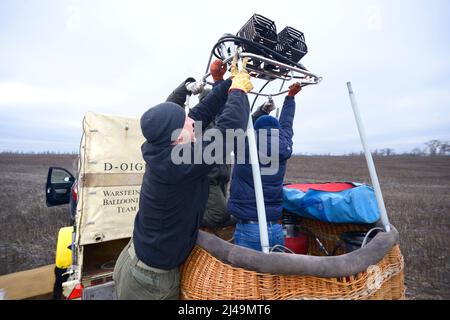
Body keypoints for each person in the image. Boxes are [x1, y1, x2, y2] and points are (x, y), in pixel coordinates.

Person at [113, 57, 253, 300]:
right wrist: (239, 92)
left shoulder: (164, 149)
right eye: (186, 122)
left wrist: (229, 82)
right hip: (151, 281)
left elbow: (202, 111)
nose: (192, 121)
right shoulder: (176, 165)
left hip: (134, 260)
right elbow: (227, 133)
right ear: (177, 137)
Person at [227, 82, 302, 251]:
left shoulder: (245, 144)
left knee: (246, 276)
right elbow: (287, 124)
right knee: (273, 277)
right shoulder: (283, 144)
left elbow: (237, 124)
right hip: (276, 229)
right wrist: (290, 97)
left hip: (249, 228)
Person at [165, 61, 235, 230]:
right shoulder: (193, 123)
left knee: (219, 216)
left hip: (222, 177)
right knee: (219, 216)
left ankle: (204, 232)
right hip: (207, 177)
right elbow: (170, 107)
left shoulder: (220, 122)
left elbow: (237, 116)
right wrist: (186, 87)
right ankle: (191, 219)